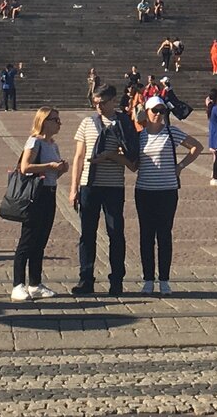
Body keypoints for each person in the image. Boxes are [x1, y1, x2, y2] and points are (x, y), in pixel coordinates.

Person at [70, 85, 137, 296]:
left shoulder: (124, 124)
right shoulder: (87, 123)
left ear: (113, 101)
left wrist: (110, 156)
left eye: (102, 102)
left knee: (116, 233)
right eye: (95, 102)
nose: (97, 106)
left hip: (113, 186)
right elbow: (79, 157)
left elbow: (133, 161)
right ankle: (85, 279)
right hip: (89, 185)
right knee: (87, 234)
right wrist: (74, 189)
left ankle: (116, 280)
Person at [133, 95, 201, 294]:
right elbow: (132, 161)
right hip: (144, 191)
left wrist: (180, 166)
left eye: (162, 111)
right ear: (147, 112)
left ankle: (164, 280)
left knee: (164, 235)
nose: (159, 115)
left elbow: (197, 146)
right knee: (146, 235)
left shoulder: (172, 132)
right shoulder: (140, 136)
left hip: (167, 191)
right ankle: (148, 279)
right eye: (155, 111)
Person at [11, 107, 69, 299]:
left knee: (41, 240)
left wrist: (61, 169)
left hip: (49, 193)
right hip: (34, 195)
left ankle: (35, 283)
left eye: (59, 120)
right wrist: (49, 166)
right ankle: (18, 284)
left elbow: (53, 173)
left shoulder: (53, 144)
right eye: (55, 120)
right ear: (44, 121)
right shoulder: (34, 141)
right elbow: (25, 167)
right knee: (27, 239)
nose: (59, 124)